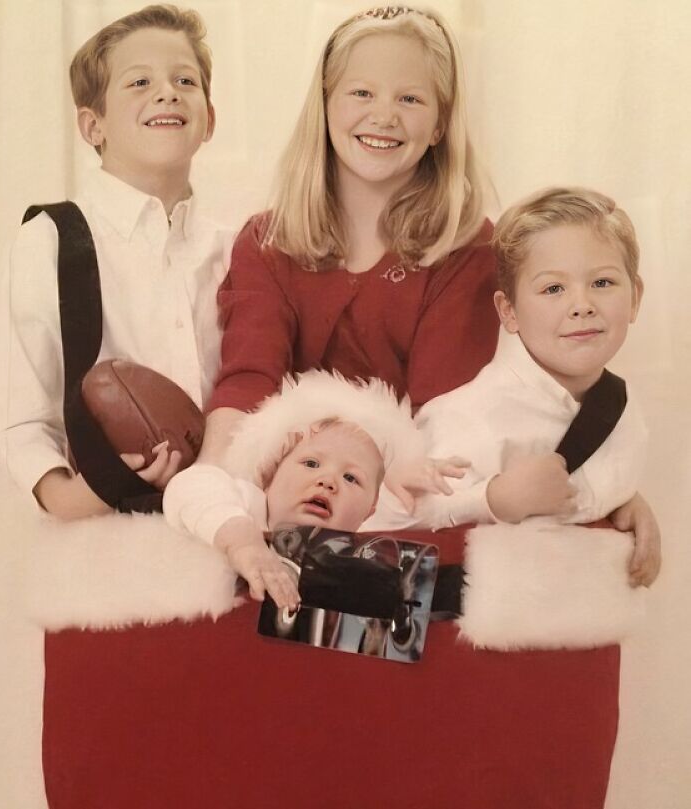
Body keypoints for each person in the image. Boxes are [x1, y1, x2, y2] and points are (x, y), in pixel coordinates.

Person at [42, 8, 662, 809]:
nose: (383, 115)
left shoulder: (470, 249)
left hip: (406, 494)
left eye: (411, 99)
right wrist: (214, 495)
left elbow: (460, 416)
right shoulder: (266, 239)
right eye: (361, 92)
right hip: (288, 482)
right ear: (326, 101)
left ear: (441, 121)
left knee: (400, 728)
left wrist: (610, 483)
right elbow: (248, 379)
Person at [0, 4, 228, 519]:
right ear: (92, 125)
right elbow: (23, 421)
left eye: (185, 80)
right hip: (103, 539)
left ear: (209, 120)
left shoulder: (235, 252)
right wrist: (74, 499)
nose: (166, 92)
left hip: (225, 533)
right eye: (139, 82)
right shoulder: (49, 241)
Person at [364, 186, 661, 587]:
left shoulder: (623, 408)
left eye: (603, 283)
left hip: (584, 633)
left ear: (635, 298)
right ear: (509, 311)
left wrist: (623, 501)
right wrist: (493, 499)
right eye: (553, 288)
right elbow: (382, 529)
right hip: (475, 640)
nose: (582, 304)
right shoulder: (468, 417)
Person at [165, 369, 440, 608]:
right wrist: (242, 542)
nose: (328, 481)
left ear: (371, 509)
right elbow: (190, 486)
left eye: (351, 478)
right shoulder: (249, 504)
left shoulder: (368, 543)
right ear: (270, 476)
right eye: (310, 463)